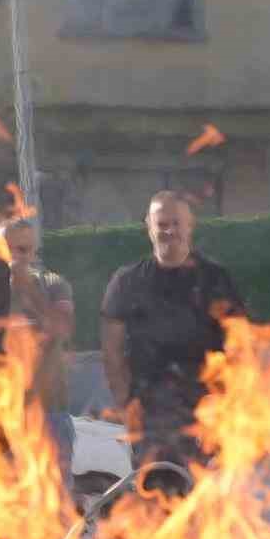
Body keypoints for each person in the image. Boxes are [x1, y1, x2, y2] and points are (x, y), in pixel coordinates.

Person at [100, 190, 244, 485]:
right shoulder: (126, 282)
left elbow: (238, 346)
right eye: (162, 223)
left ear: (190, 225)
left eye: (176, 223)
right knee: (157, 506)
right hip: (149, 416)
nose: (169, 231)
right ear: (148, 226)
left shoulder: (215, 279)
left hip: (205, 413)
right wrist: (125, 404)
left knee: (208, 506)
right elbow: (112, 350)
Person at [0, 217, 77, 482]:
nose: (17, 258)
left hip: (50, 413)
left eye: (25, 250)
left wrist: (28, 289)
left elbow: (62, 328)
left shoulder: (52, 284)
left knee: (55, 509)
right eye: (10, 249)